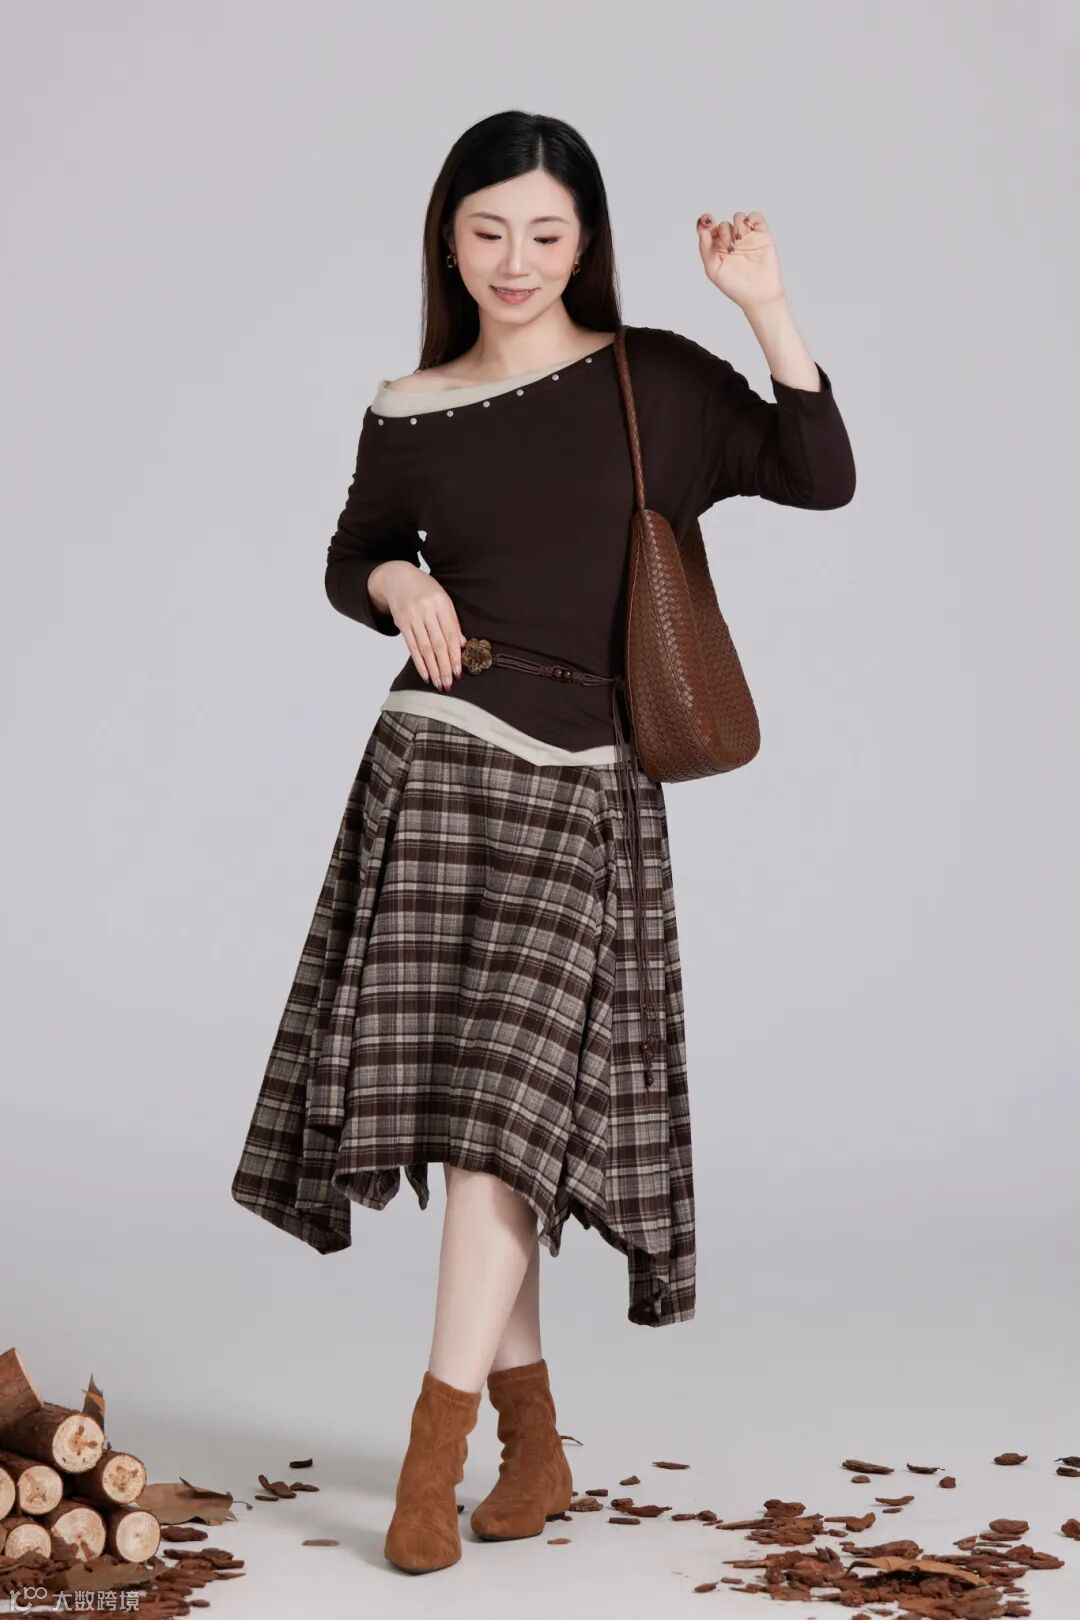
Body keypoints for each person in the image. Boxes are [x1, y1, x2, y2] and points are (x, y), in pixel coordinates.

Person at [230, 108, 856, 1575]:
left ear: (587, 243)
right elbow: (350, 552)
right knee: (481, 1141)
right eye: (489, 231)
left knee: (503, 1128)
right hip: (433, 775)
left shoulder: (653, 381)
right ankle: (535, 1444)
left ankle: (431, 1453)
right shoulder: (411, 404)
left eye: (547, 233)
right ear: (449, 241)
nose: (516, 260)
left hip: (584, 789)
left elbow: (817, 470)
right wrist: (394, 582)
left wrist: (765, 305)